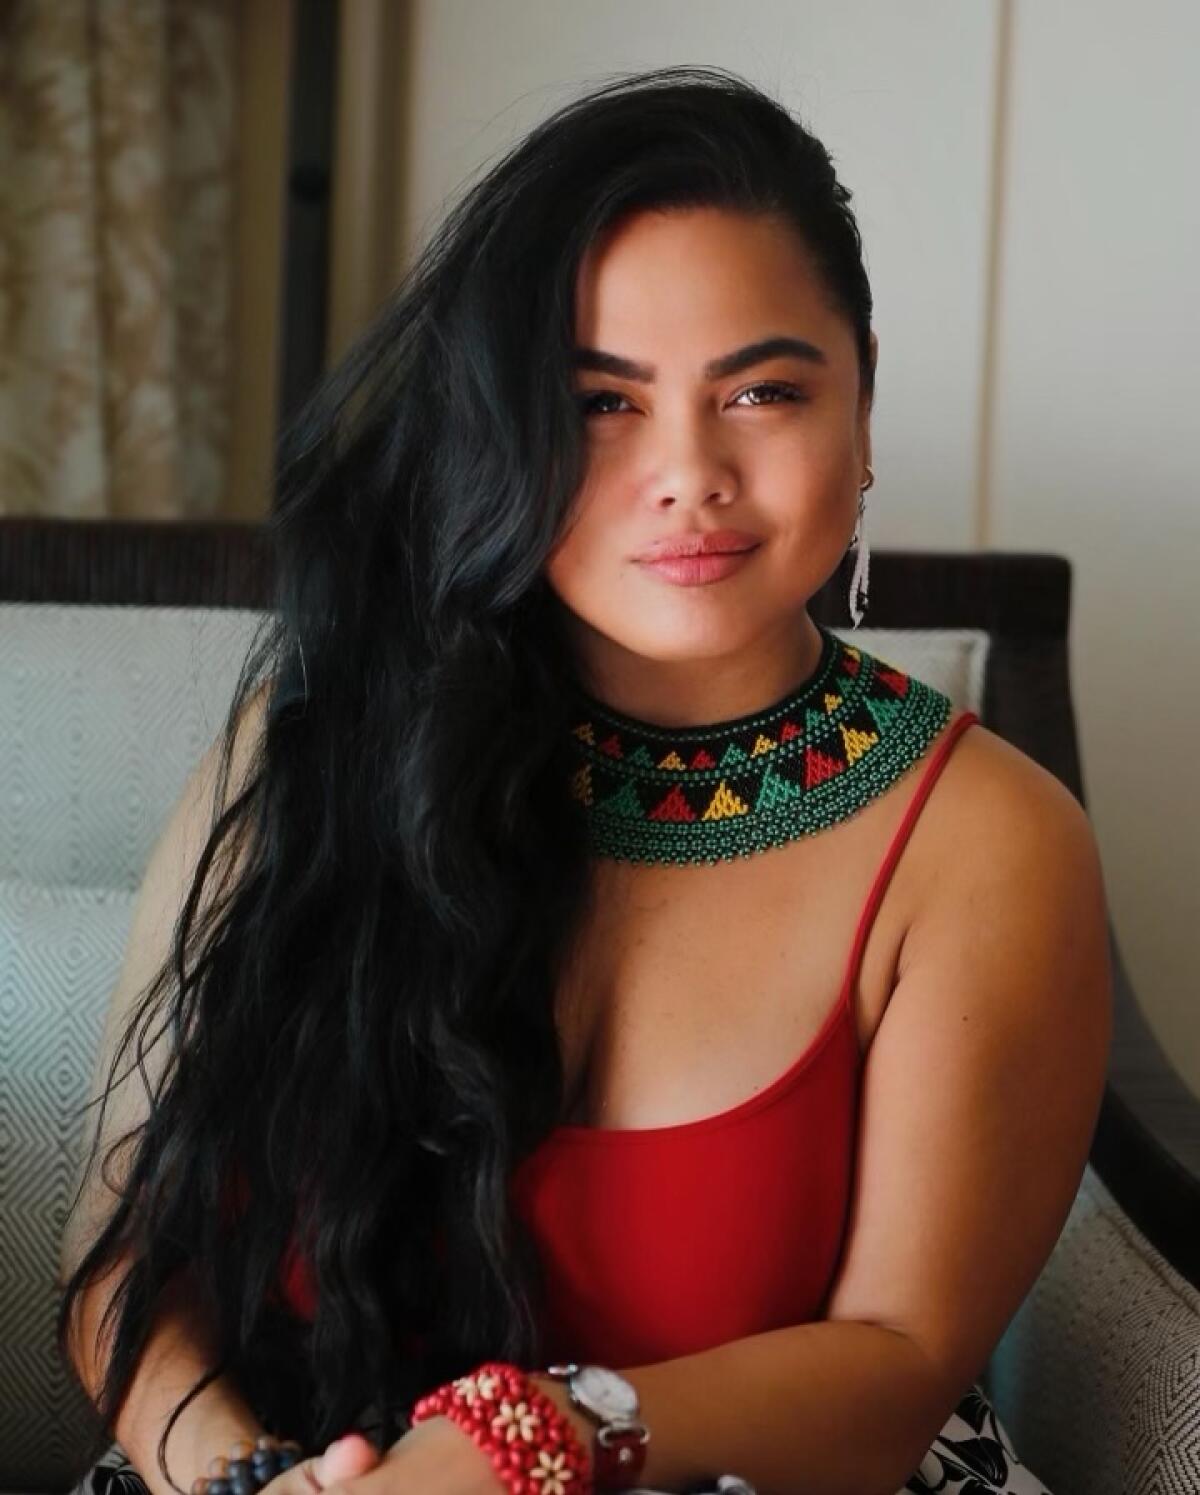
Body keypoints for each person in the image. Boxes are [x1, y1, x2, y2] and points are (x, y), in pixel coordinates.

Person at [58, 64, 1112, 1495]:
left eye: (763, 390)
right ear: (506, 429)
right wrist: (242, 1478)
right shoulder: (314, 749)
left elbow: (895, 1363)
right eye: (601, 404)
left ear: (862, 416)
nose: (689, 472)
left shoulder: (985, 842)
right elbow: (128, 1263)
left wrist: (537, 1438)